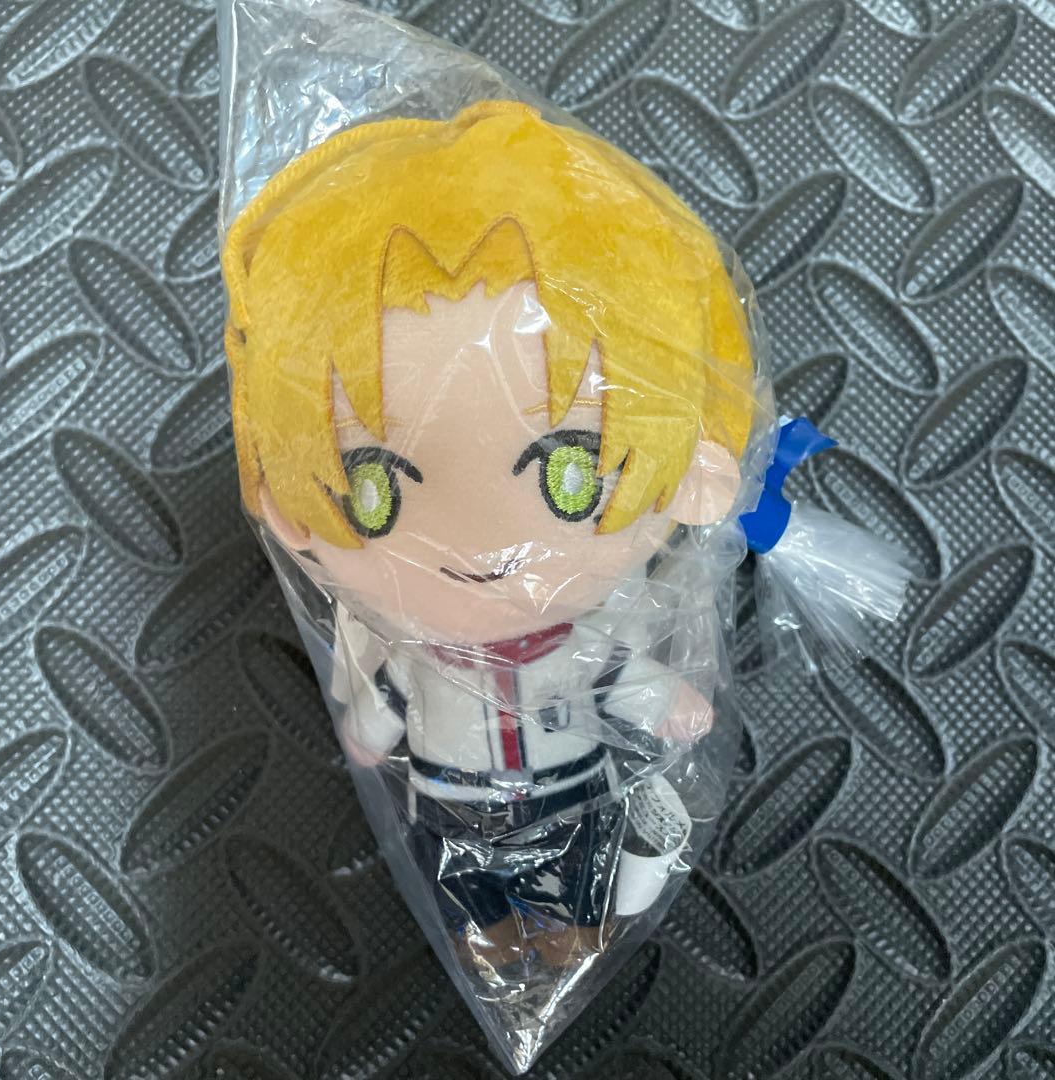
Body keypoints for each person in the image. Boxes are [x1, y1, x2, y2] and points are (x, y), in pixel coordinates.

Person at [222, 101, 758, 978]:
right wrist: (367, 730)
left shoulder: (578, 644)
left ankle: (570, 929)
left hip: (572, 794)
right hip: (452, 807)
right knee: (470, 885)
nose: (478, 550)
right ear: (286, 507)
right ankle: (494, 933)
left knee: (579, 871)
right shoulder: (415, 657)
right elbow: (382, 708)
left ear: (692, 473)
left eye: (568, 476)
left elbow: (622, 679)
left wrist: (670, 702)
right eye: (373, 494)